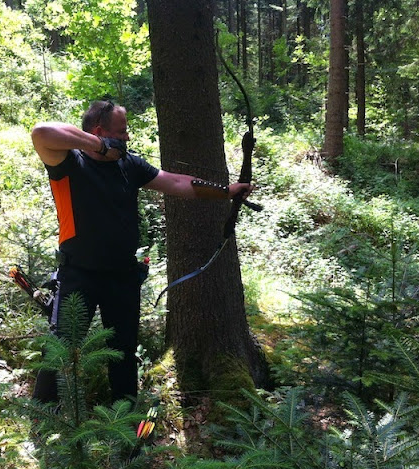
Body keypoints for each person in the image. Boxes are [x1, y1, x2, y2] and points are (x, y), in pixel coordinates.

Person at [30, 100, 253, 403]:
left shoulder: (129, 165)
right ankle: (44, 417)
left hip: (122, 277)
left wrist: (225, 191)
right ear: (100, 131)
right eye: (121, 132)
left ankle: (124, 420)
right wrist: (99, 146)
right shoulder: (68, 162)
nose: (127, 138)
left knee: (123, 352)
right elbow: (41, 133)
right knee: (60, 349)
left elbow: (175, 181)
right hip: (78, 275)